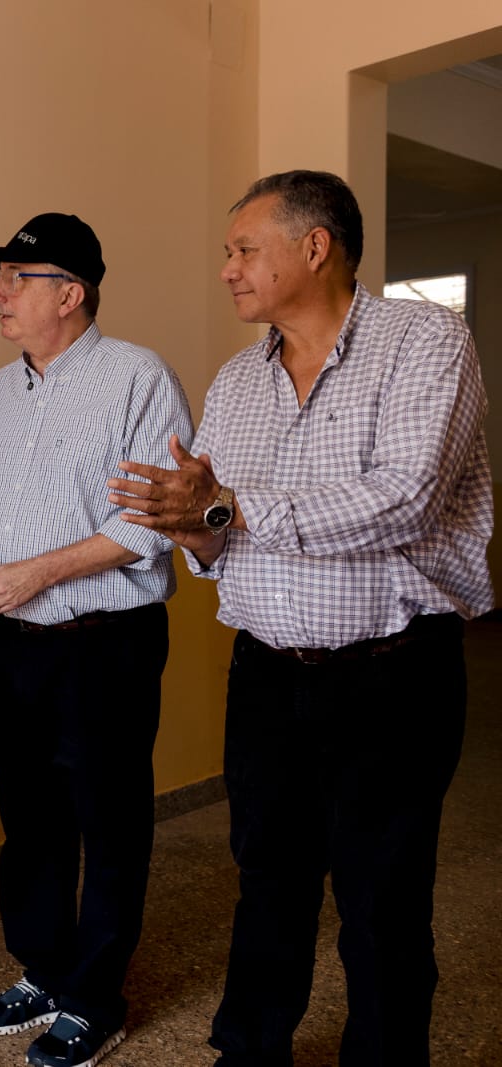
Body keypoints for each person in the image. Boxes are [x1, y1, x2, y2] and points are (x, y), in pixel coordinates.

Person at [109, 170, 493, 1067]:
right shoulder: (237, 380)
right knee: (268, 879)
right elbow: (221, 535)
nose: (227, 269)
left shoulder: (425, 340)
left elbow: (404, 499)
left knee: (382, 898)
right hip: (266, 674)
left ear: (314, 247)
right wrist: (193, 528)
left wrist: (231, 508)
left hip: (392, 672)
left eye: (244, 249)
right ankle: (250, 1051)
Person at [0, 213, 192, 1067]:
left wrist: (37, 573)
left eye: (15, 278)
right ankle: (46, 969)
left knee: (109, 819)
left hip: (104, 643)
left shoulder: (137, 377)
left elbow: (151, 521)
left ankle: (95, 997)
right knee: (29, 817)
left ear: (70, 293)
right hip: (10, 641)